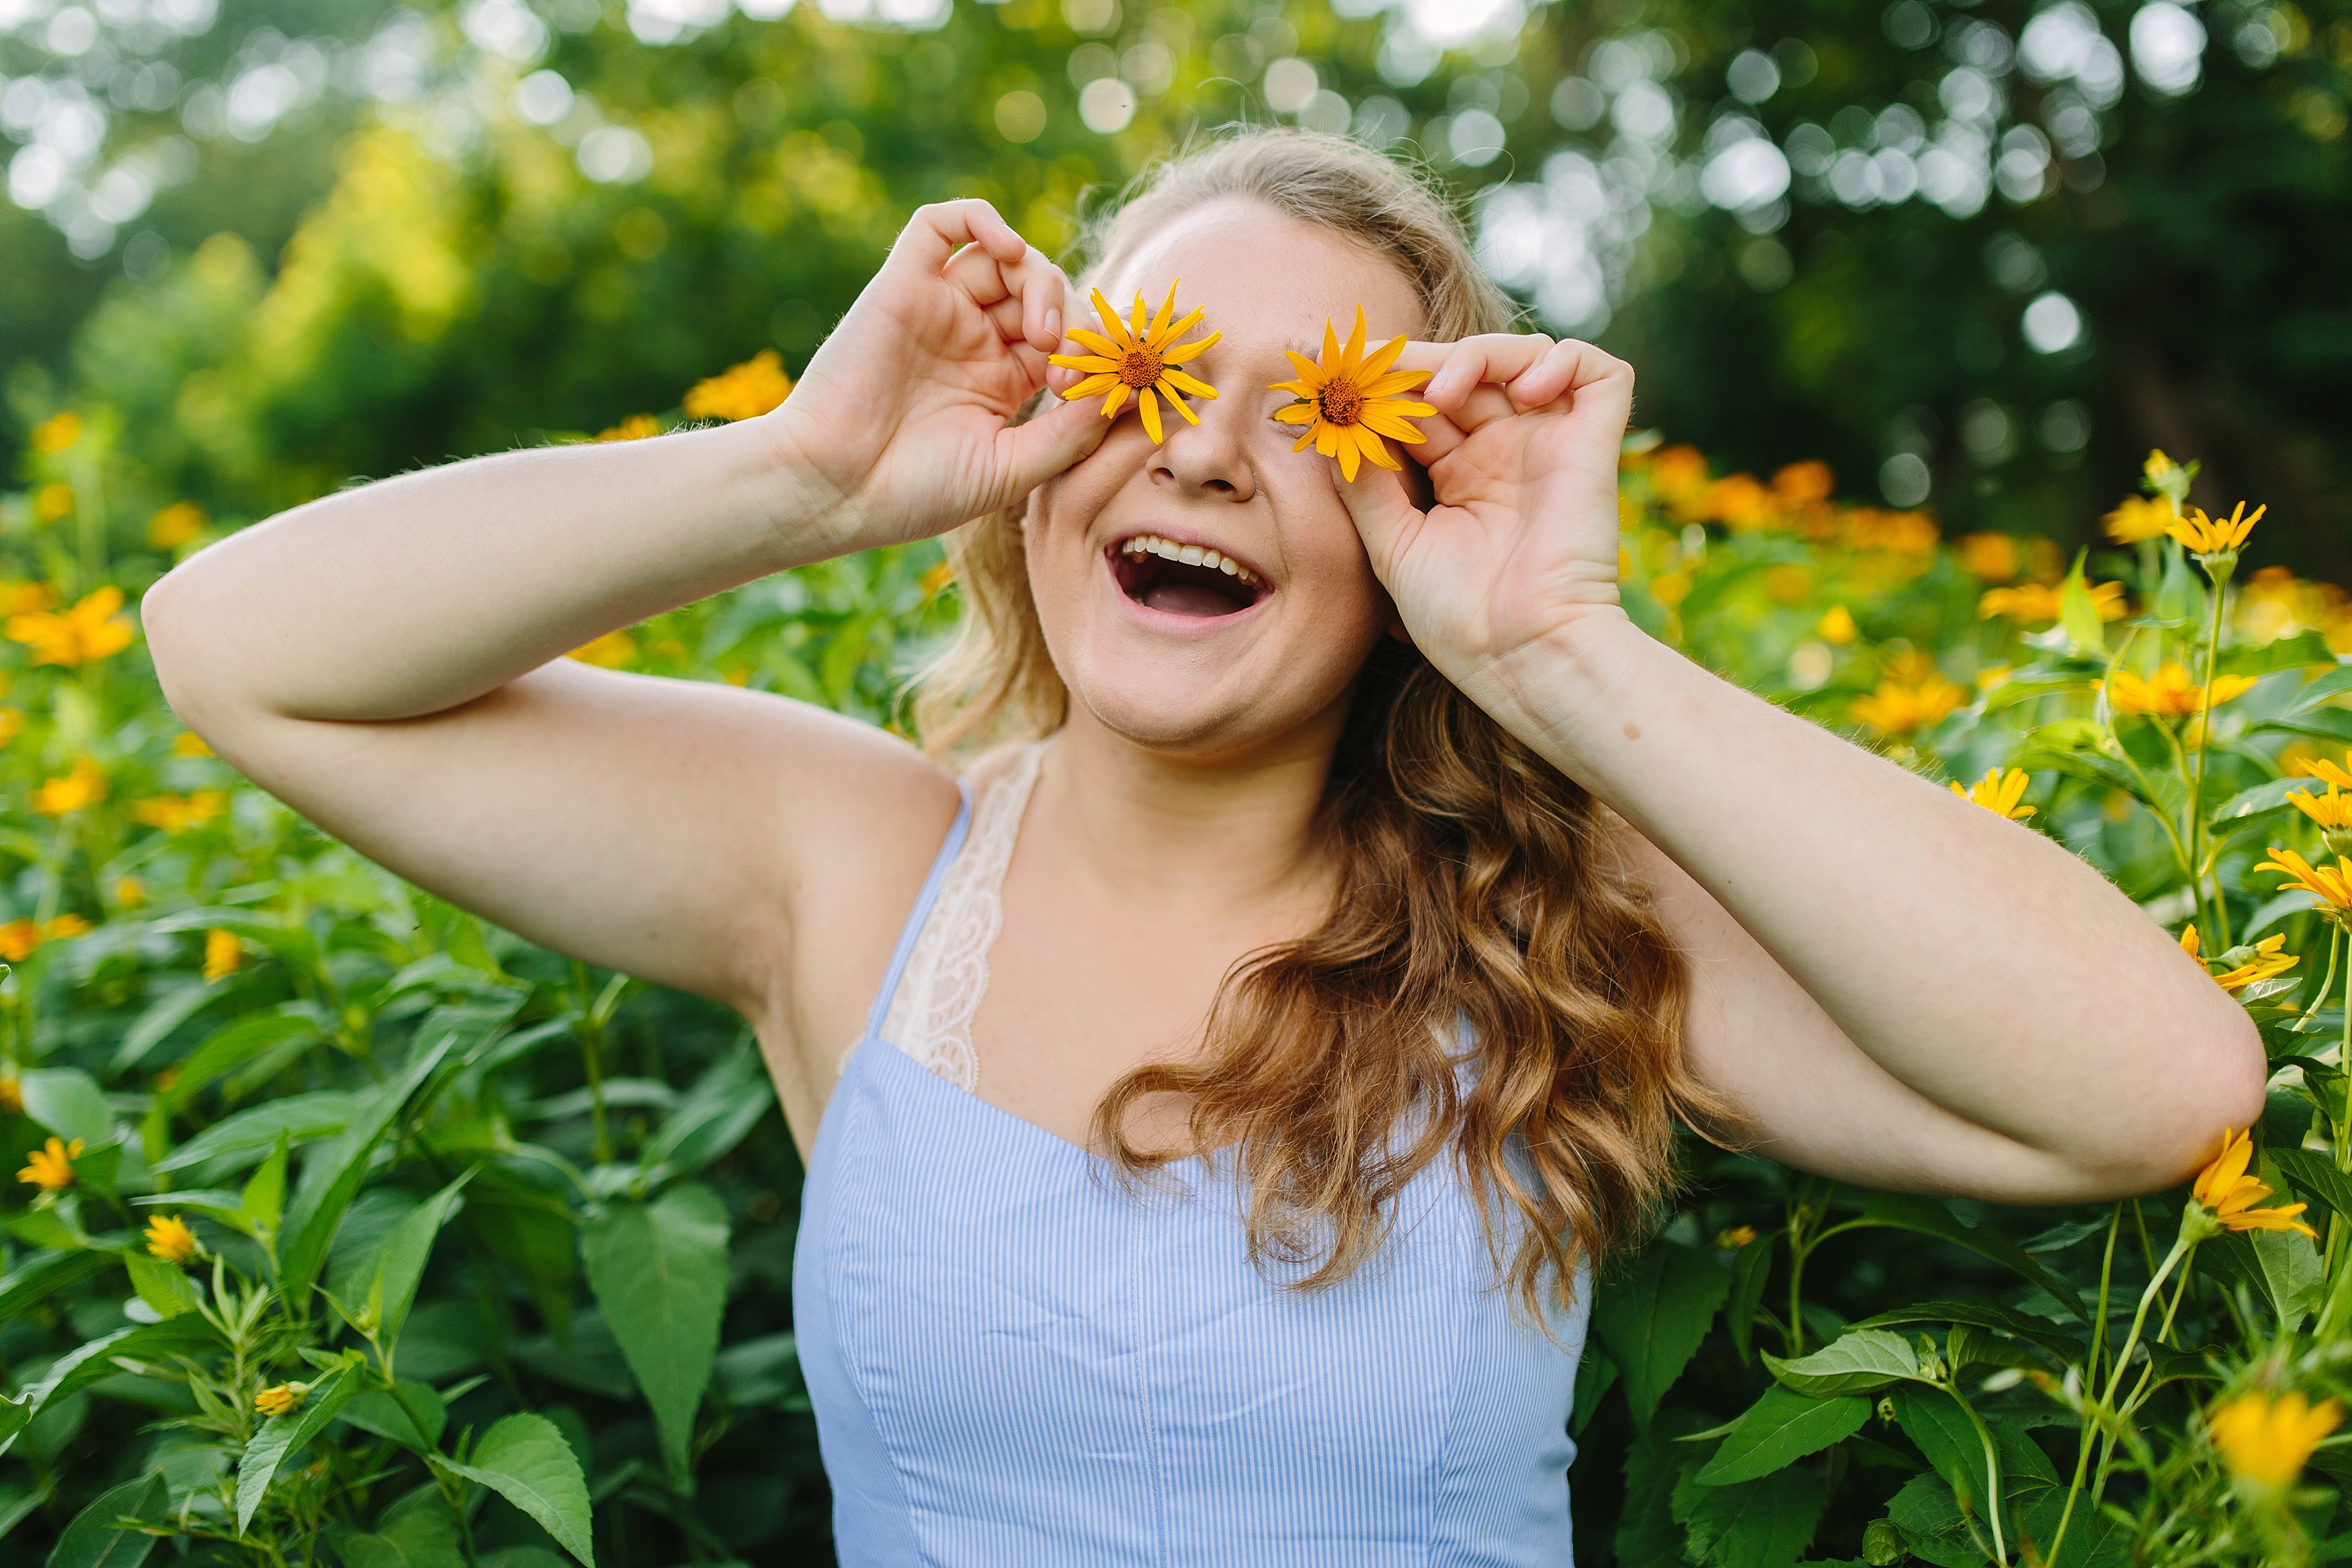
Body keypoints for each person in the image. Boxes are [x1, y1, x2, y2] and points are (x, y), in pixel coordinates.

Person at [142, 128, 2263, 1565]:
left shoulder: (1558, 933)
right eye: (1143, 367)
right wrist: (798, 473)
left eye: (1318, 412)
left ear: (1407, 514)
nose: (1202, 450)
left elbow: (2149, 1093)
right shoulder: (848, 863)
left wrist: (1566, 654)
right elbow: (241, 651)